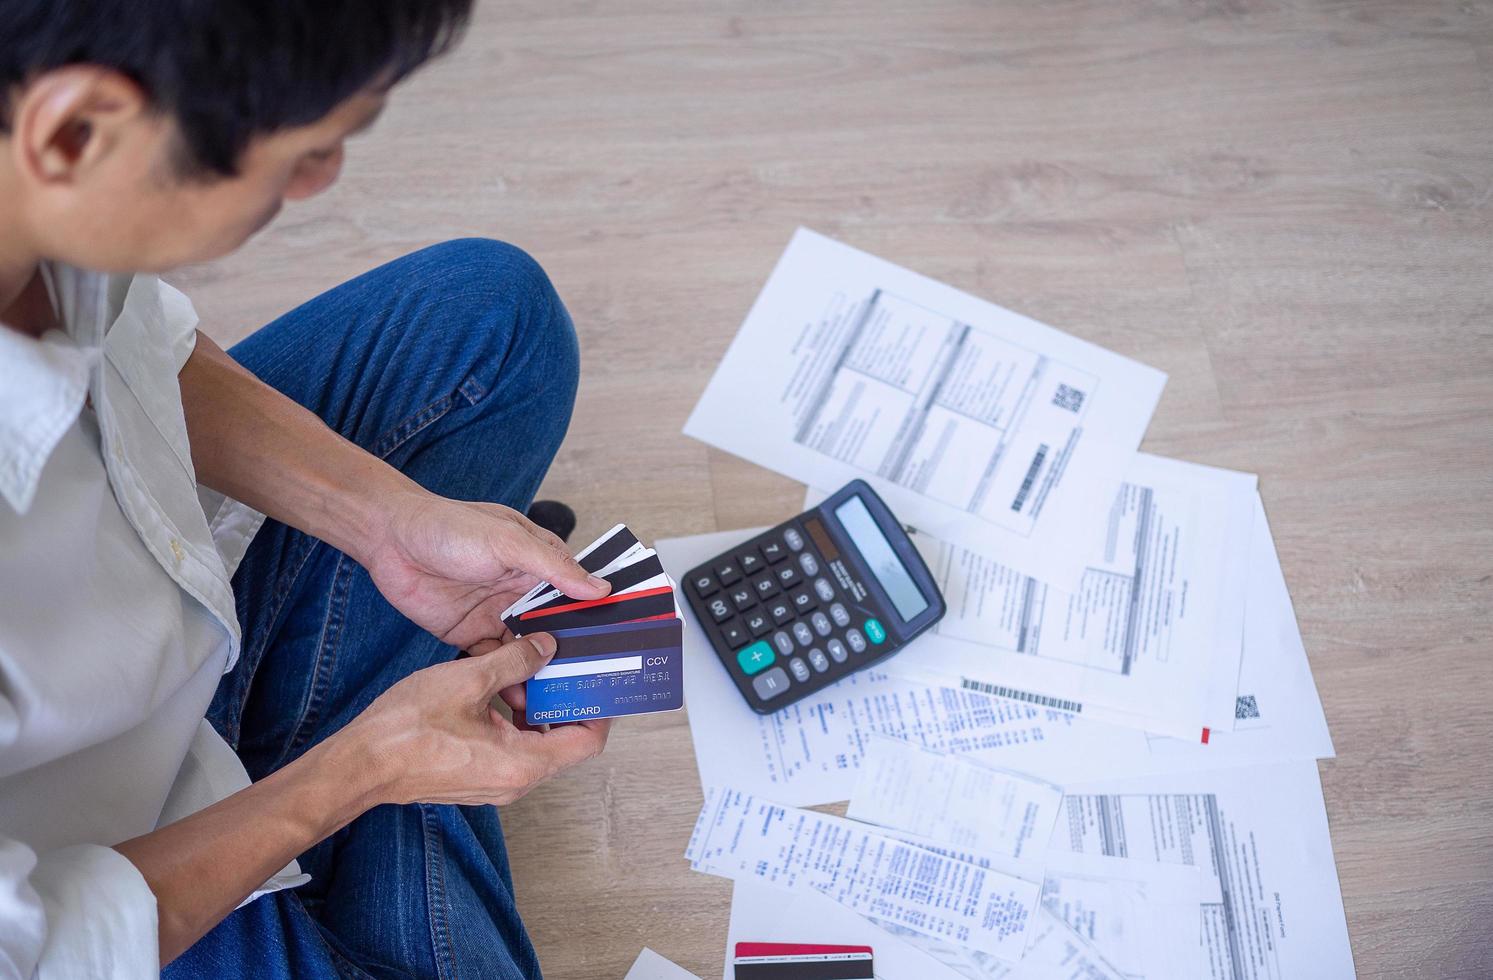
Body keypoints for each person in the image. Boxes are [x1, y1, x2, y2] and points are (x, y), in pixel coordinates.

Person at [0, 2, 615, 976]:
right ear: (78, 129)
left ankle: (389, 722)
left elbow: (139, 343)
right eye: (303, 153)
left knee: (495, 325)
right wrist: (360, 769)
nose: (321, 180)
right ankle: (387, 746)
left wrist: (386, 523)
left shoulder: (35, 173)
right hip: (97, 875)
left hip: (179, 626)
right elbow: (41, 944)